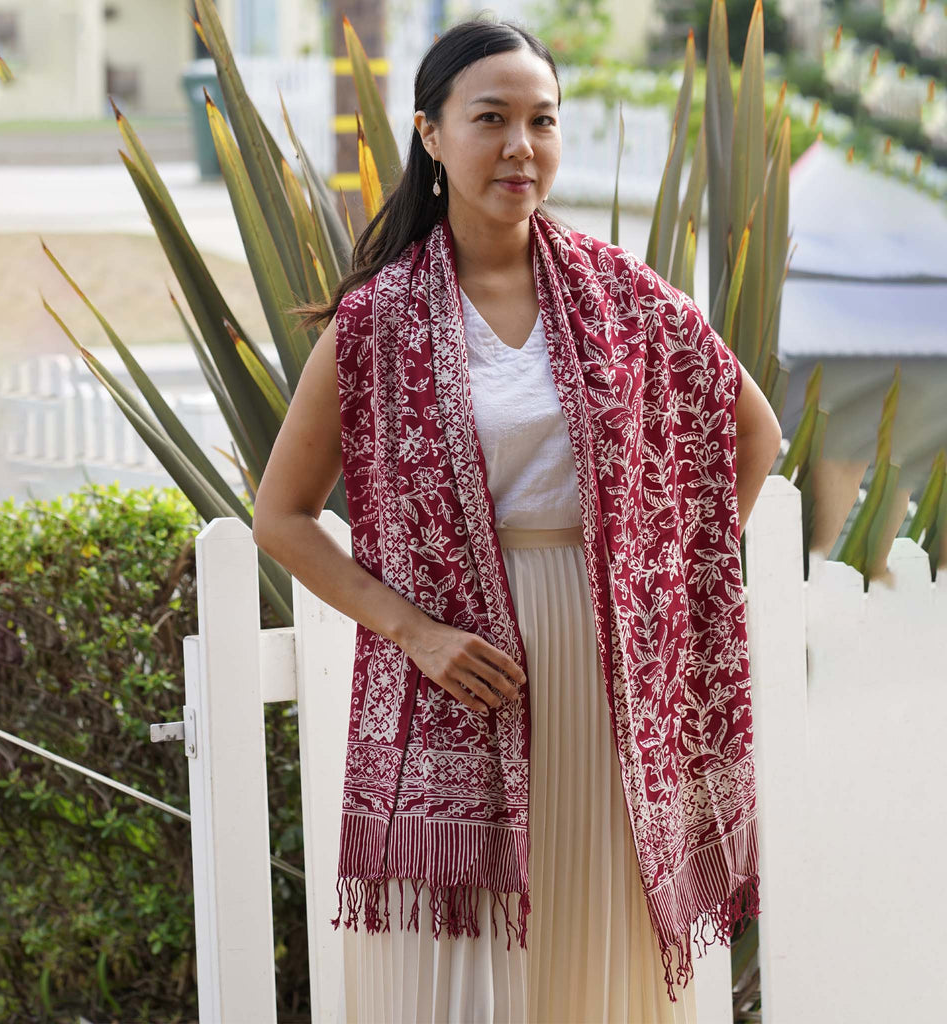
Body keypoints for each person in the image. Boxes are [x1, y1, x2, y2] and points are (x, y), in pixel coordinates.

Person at [253, 15, 783, 1024]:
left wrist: (663, 589)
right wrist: (416, 632)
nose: (520, 147)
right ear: (430, 133)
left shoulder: (623, 296)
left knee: (593, 962)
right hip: (463, 682)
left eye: (541, 120)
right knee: (468, 983)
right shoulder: (378, 322)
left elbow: (751, 433)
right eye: (489, 119)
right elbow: (280, 516)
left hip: (603, 676)